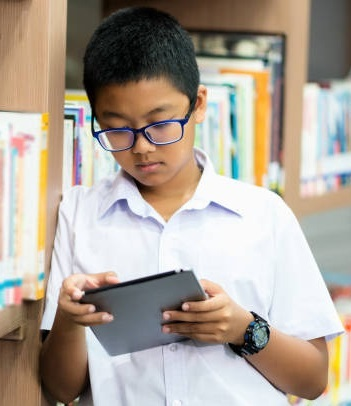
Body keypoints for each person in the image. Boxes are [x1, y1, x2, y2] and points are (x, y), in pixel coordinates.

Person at [39, 6, 344, 406]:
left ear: (198, 105)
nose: (141, 147)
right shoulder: (79, 215)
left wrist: (242, 328)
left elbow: (312, 379)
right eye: (117, 129)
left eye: (159, 124)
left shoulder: (264, 215)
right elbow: (61, 389)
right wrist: (68, 321)